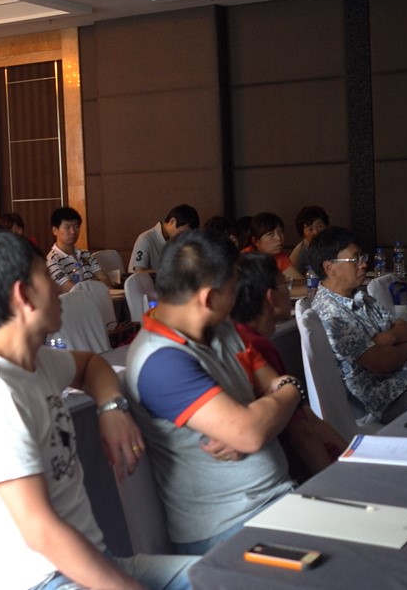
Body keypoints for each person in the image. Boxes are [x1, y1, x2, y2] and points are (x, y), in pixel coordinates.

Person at [0, 229, 196, 590]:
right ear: (24, 295)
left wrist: (111, 407)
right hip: (45, 579)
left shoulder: (34, 359)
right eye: (46, 276)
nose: (60, 289)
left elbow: (91, 365)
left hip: (91, 563)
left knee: (223, 577)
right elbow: (40, 531)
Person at [125, 230, 299, 554]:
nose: (237, 299)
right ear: (208, 298)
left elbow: (277, 386)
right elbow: (250, 433)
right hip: (229, 527)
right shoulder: (160, 362)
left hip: (276, 501)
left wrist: (285, 393)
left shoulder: (221, 327)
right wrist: (265, 411)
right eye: (233, 289)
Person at [308, 227, 407, 423]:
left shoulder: (361, 298)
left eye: (362, 257)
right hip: (391, 398)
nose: (363, 264)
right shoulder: (332, 315)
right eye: (355, 259)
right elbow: (383, 363)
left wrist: (389, 338)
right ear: (330, 267)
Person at [231, 253, 345, 479]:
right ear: (271, 297)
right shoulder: (256, 346)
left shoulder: (239, 336)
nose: (290, 292)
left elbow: (305, 415)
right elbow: (301, 433)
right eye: (287, 285)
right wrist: (336, 482)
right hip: (290, 472)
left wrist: (352, 454)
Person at [47, 206, 112, 293]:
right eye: (67, 227)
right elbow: (71, 290)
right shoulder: (52, 260)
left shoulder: (85, 254)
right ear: (55, 230)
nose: (73, 232)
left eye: (76, 226)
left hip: (94, 299)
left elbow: (106, 280)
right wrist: (95, 286)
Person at [128, 204, 200, 273]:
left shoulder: (174, 240)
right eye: (182, 232)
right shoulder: (146, 238)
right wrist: (167, 274)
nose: (183, 237)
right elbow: (138, 272)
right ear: (172, 221)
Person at [242, 212, 303, 281]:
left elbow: (300, 281)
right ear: (255, 241)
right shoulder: (245, 260)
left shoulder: (279, 256)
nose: (278, 238)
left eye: (280, 232)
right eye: (270, 234)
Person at [288, 205, 329, 275]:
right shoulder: (299, 253)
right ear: (303, 233)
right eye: (310, 229)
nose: (316, 232)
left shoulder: (335, 244)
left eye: (320, 226)